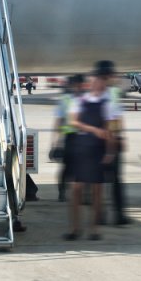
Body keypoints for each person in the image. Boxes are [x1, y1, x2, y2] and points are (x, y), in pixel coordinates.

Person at [64, 72, 119, 241]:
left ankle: (94, 229)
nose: (98, 85)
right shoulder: (78, 101)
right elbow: (73, 122)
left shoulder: (107, 104)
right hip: (82, 147)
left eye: (100, 82)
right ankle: (75, 228)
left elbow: (110, 129)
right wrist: (94, 130)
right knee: (76, 190)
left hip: (98, 149)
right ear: (90, 84)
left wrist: (110, 151)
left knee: (97, 191)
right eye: (95, 82)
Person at [90, 60, 131, 226]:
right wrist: (116, 143)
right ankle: (119, 216)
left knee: (97, 181)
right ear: (107, 75)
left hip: (94, 142)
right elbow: (114, 121)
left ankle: (99, 216)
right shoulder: (112, 94)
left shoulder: (92, 92)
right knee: (116, 182)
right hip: (109, 142)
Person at [52, 74, 83, 202]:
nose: (78, 87)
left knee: (82, 167)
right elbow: (59, 121)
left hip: (82, 137)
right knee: (66, 167)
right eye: (76, 84)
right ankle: (62, 192)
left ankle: (81, 194)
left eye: (79, 84)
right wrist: (55, 142)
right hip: (69, 137)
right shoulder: (65, 100)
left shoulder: (85, 99)